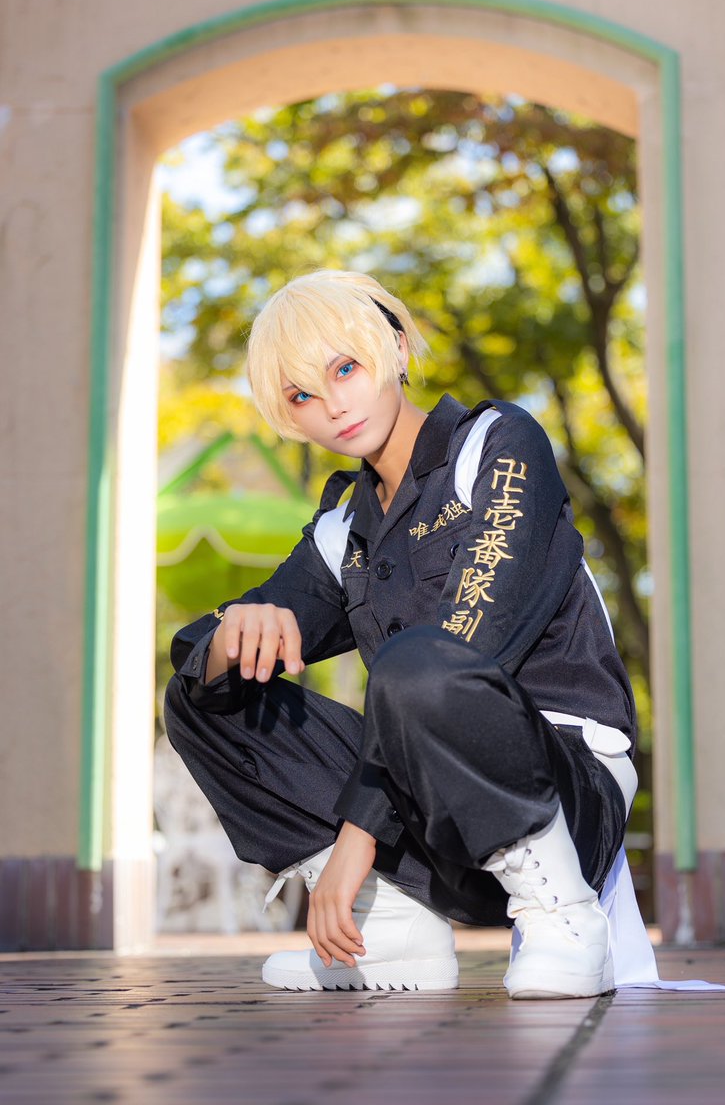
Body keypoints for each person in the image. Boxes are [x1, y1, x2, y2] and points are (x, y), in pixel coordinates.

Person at [164, 268, 638, 1000]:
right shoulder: (342, 529)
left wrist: (358, 836)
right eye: (301, 395)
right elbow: (203, 650)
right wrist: (232, 631)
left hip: (566, 797)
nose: (333, 405)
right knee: (202, 695)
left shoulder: (498, 445)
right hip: (430, 824)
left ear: (395, 347)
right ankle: (388, 930)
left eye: (344, 369)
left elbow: (463, 651)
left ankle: (565, 921)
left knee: (420, 663)